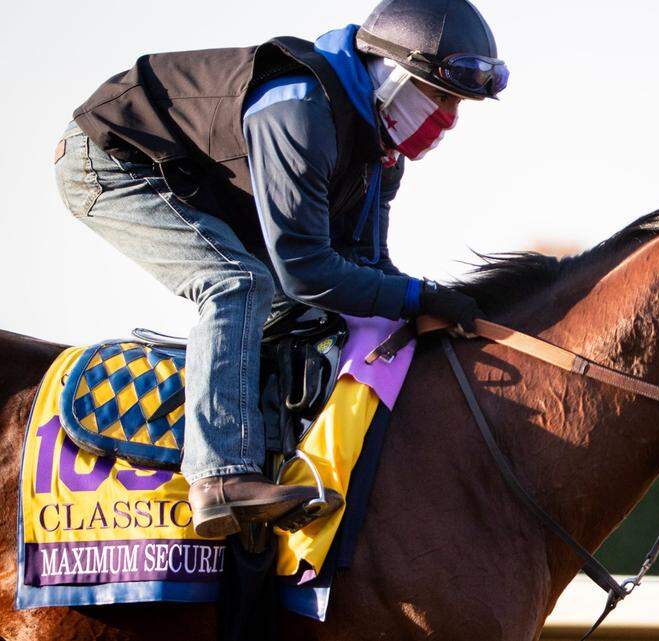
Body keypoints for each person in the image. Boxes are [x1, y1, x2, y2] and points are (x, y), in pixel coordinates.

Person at [54, 0, 508, 537]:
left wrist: (420, 309)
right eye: (440, 95)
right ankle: (219, 479)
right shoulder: (298, 107)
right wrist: (418, 295)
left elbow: (366, 268)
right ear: (388, 70)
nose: (449, 120)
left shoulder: (380, 156)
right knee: (237, 283)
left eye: (459, 104)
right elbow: (306, 270)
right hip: (113, 161)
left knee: (320, 316)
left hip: (201, 179)